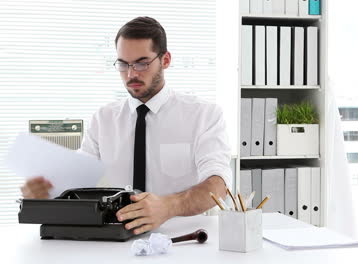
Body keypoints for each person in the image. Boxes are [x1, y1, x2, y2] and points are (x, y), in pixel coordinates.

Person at [20, 16, 232, 235]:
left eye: (142, 63)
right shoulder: (103, 120)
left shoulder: (204, 115)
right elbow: (80, 181)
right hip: (112, 238)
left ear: (165, 60)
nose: (131, 74)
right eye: (123, 64)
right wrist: (47, 192)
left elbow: (219, 185)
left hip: (180, 237)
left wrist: (168, 206)